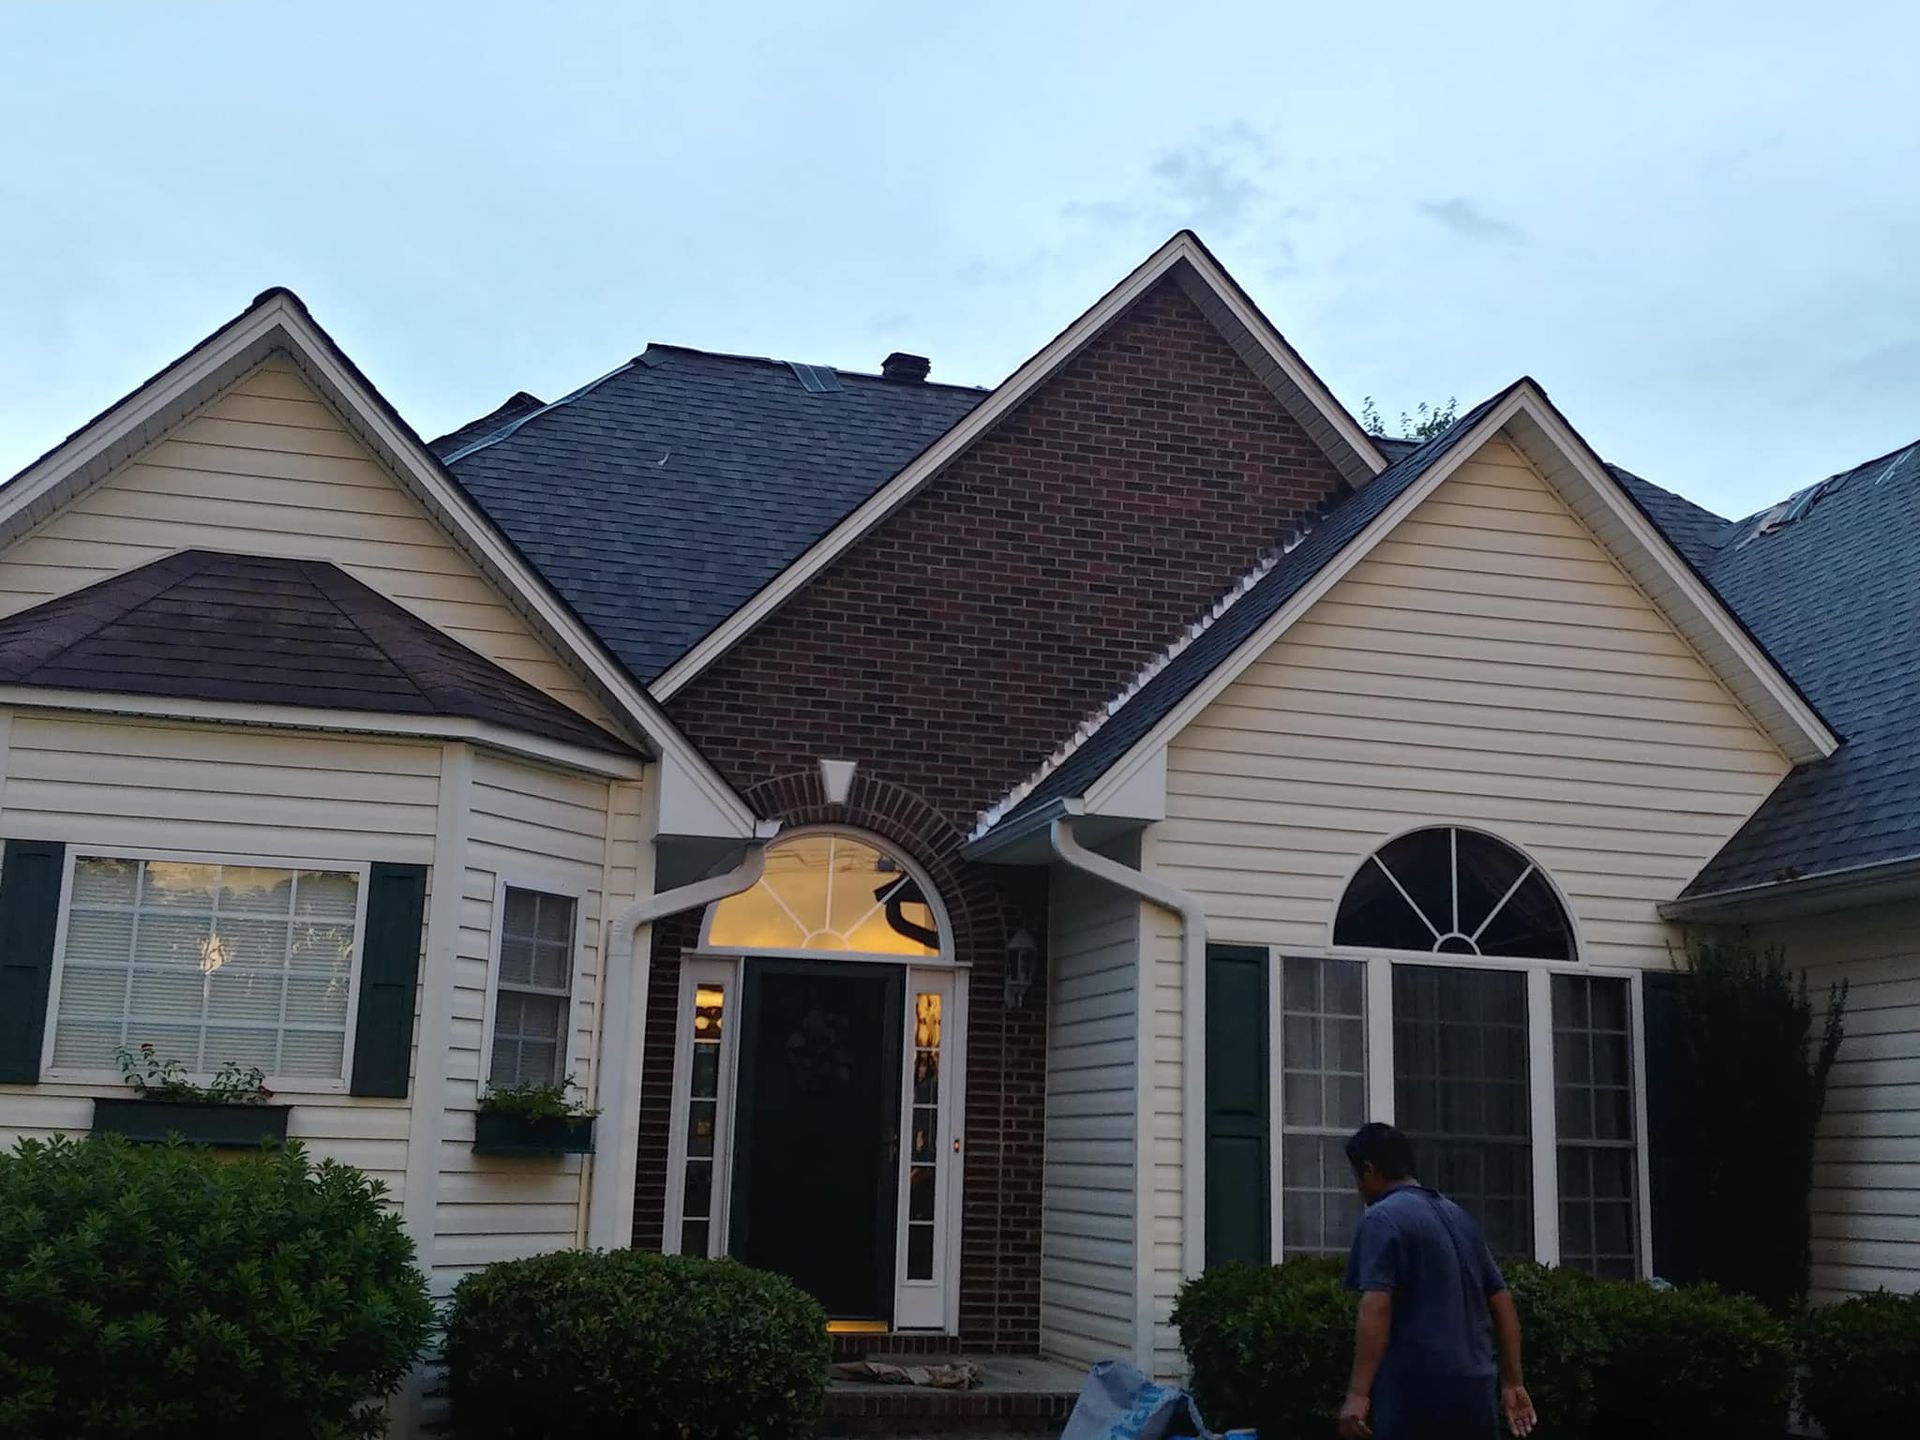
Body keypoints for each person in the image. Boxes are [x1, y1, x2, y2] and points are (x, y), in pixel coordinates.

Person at [1336, 1123, 1536, 1440]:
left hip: (1416, 1390)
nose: (1358, 1189)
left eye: (1356, 1177)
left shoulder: (1382, 1218)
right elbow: (1501, 1301)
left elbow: (1376, 1305)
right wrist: (1513, 1382)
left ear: (1369, 1170)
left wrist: (1358, 1394)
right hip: (1475, 1388)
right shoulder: (1459, 1217)